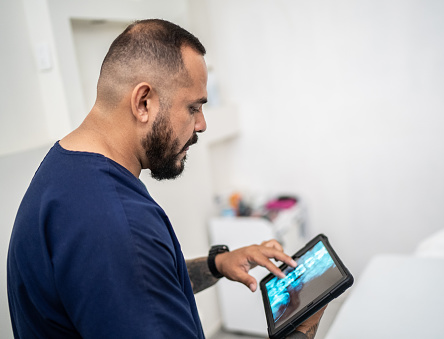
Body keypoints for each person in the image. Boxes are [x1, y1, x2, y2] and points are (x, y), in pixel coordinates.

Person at [7, 19, 326, 338]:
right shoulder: (116, 223)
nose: (202, 125)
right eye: (193, 108)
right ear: (143, 102)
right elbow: (132, 270)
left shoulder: (63, 171)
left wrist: (217, 264)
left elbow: (136, 287)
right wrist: (302, 329)